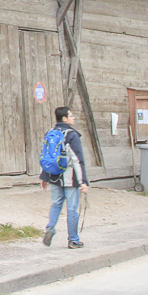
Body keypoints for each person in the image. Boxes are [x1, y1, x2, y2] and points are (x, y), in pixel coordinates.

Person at [41, 106, 89, 248]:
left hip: (54, 176)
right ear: (64, 118)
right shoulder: (71, 135)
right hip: (69, 178)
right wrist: (83, 182)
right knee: (72, 209)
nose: (73, 117)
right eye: (71, 115)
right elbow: (77, 160)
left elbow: (46, 156)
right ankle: (73, 240)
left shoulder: (50, 133)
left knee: (56, 204)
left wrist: (44, 177)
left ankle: (50, 228)